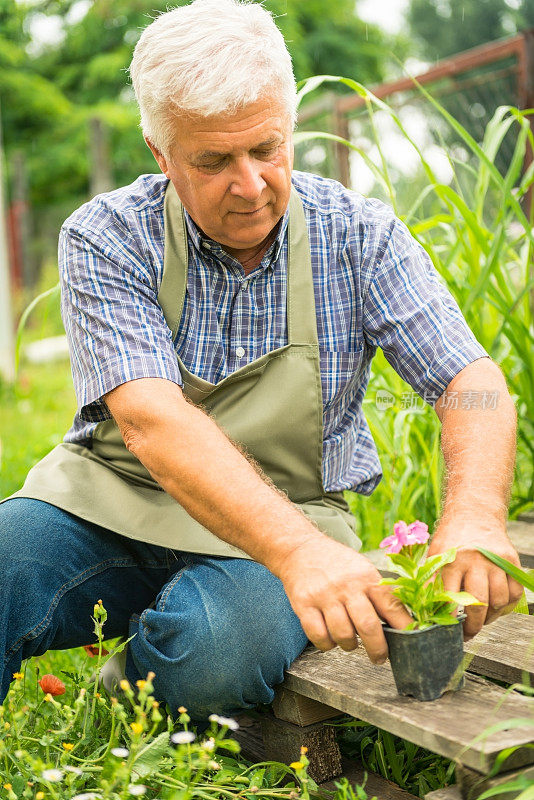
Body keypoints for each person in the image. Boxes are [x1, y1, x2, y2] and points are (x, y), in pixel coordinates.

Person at [0, 0, 522, 721]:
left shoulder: (359, 235)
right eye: (213, 161)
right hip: (112, 500)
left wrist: (475, 516)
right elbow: (151, 420)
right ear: (161, 153)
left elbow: (473, 382)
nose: (249, 185)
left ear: (290, 126)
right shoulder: (110, 236)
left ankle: (121, 692)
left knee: (219, 653)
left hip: (295, 517)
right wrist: (299, 557)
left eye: (267, 149)